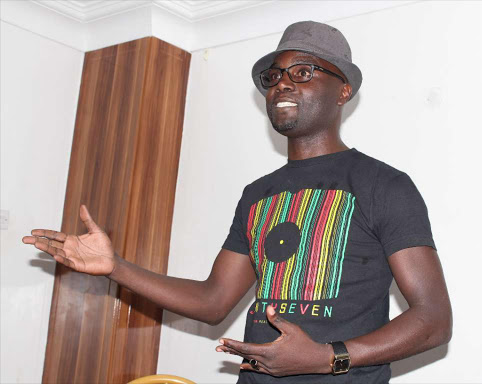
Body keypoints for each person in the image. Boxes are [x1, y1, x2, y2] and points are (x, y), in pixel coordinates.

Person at [22, 21, 452, 383]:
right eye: (275, 75)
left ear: (343, 91)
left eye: (303, 72)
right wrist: (116, 268)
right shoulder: (258, 194)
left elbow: (433, 320)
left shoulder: (384, 185)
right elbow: (213, 302)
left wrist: (327, 356)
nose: (282, 81)